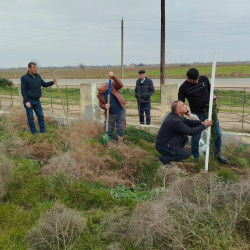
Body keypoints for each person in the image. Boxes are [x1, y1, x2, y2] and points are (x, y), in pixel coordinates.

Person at [178, 68, 228, 164]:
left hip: (210, 112)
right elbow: (180, 104)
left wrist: (213, 95)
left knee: (218, 134)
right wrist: (189, 114)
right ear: (188, 78)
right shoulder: (183, 88)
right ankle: (196, 158)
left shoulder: (204, 79)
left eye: (197, 79)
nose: (197, 81)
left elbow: (211, 90)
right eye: (194, 80)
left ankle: (218, 155)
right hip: (197, 116)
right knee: (196, 138)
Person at [156, 100, 212, 165]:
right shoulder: (176, 121)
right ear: (178, 110)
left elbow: (188, 122)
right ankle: (165, 158)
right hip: (164, 147)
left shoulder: (175, 115)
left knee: (184, 138)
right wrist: (204, 126)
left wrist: (200, 123)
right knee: (186, 154)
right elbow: (191, 132)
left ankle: (176, 156)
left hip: (166, 143)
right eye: (183, 105)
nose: (185, 106)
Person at [21, 62, 57, 134]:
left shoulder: (38, 76)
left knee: (40, 116)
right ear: (29, 68)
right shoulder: (24, 78)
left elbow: (44, 84)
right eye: (34, 68)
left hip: (37, 101)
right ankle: (34, 133)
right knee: (31, 118)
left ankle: (43, 132)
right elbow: (23, 91)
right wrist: (26, 101)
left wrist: (52, 82)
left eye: (36, 68)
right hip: (29, 101)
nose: (35, 69)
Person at [97, 72, 126, 141]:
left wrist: (113, 76)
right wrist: (105, 106)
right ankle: (109, 142)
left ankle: (119, 143)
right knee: (108, 129)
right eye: (98, 90)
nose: (99, 92)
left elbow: (120, 85)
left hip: (120, 112)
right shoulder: (99, 95)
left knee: (120, 129)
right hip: (110, 114)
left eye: (100, 90)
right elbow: (101, 105)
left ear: (104, 87)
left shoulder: (111, 85)